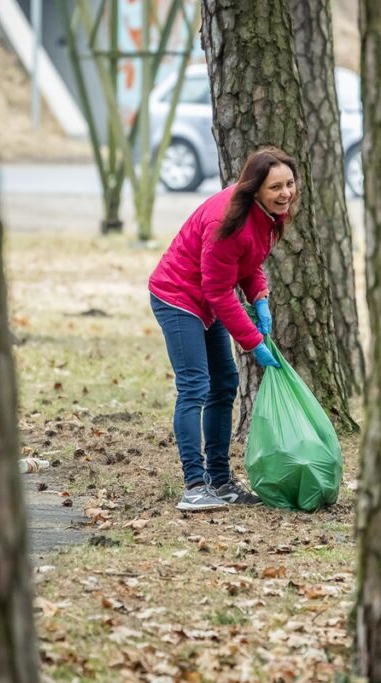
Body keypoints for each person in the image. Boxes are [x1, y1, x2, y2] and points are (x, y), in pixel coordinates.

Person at [149, 146, 297, 511]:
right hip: (177, 298)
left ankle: (220, 480)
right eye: (275, 187)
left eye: (290, 184)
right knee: (195, 386)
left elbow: (248, 260)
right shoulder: (225, 221)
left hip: (206, 302)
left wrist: (259, 296)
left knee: (225, 384)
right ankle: (194, 486)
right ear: (255, 188)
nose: (285, 194)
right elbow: (216, 290)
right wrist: (252, 341)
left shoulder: (266, 215)